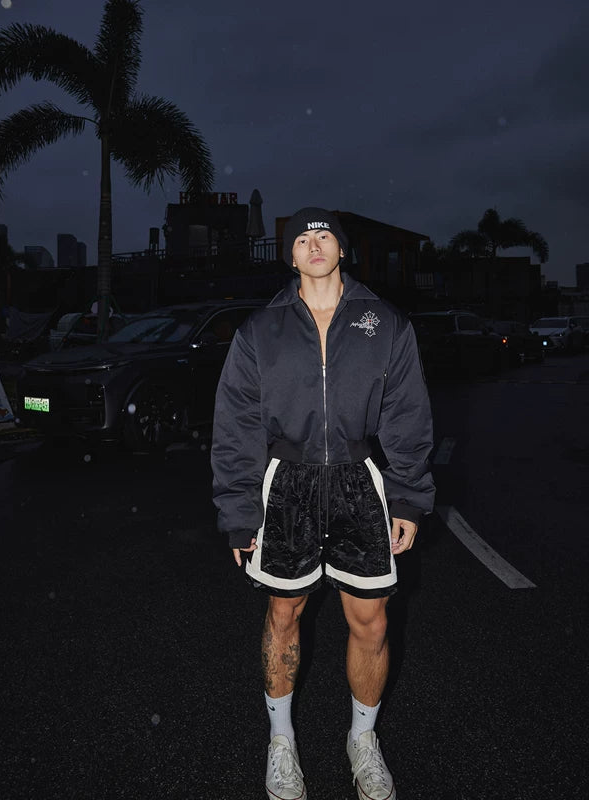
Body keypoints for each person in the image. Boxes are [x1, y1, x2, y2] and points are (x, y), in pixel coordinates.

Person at [211, 207, 435, 800]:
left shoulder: (386, 323)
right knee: (284, 614)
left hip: (361, 482)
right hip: (287, 484)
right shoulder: (260, 330)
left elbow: (408, 416)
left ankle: (363, 739)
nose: (314, 243)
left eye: (324, 235)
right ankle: (281, 741)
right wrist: (238, 511)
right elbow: (235, 426)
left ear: (341, 249)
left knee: (372, 619)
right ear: (290, 256)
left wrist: (409, 497)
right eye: (302, 238)